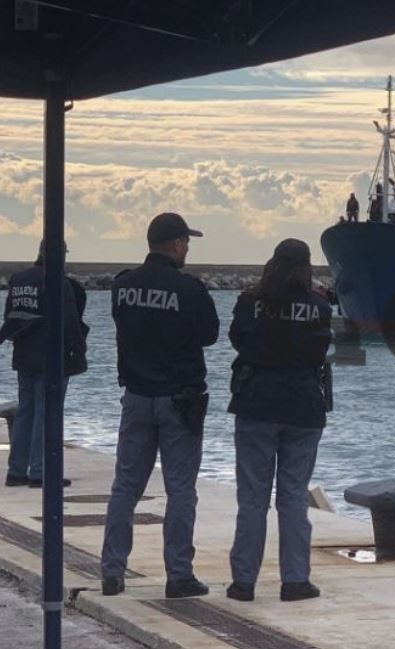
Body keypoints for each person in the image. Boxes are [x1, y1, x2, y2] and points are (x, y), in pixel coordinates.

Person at [100, 212, 219, 599]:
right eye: (186, 242)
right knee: (181, 489)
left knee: (125, 487)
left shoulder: (123, 286)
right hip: (179, 401)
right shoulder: (189, 290)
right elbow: (210, 335)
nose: (188, 248)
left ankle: (112, 571)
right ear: (174, 244)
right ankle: (179, 574)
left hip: (135, 397)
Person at [225, 238, 332, 603]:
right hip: (303, 409)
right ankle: (295, 579)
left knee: (252, 499)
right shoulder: (319, 307)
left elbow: (237, 340)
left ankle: (243, 581)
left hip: (256, 404)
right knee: (292, 498)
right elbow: (318, 351)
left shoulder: (249, 302)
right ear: (306, 268)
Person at [1, 240, 88, 488]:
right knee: (46, 413)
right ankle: (40, 472)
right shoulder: (59, 283)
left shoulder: (18, 280)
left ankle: (17, 470)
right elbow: (70, 322)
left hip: (23, 355)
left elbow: (10, 319)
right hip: (51, 357)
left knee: (25, 411)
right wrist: (80, 351)